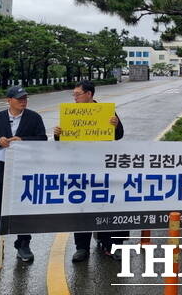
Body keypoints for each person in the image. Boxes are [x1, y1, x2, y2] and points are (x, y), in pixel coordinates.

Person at [53, 80, 126, 262]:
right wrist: (57, 134)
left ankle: (110, 244)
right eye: (74, 95)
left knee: (107, 205)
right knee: (82, 206)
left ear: (89, 94)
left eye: (77, 94)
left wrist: (115, 124)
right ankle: (81, 247)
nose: (75, 98)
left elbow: (118, 135)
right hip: (80, 166)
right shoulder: (71, 114)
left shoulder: (105, 111)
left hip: (103, 165)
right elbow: (62, 142)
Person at [0, 86, 47, 265]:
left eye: (25, 98)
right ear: (9, 100)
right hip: (0, 167)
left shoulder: (33, 117)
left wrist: (23, 140)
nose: (23, 101)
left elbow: (42, 139)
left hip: (24, 168)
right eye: (19, 99)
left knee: (23, 208)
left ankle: (23, 245)